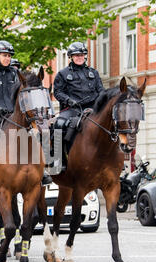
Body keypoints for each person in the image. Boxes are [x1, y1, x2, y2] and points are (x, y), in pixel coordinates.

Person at [0, 40, 52, 188]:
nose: (7, 58)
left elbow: (26, 94)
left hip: (14, 116)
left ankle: (42, 170)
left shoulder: (16, 74)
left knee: (36, 133)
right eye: (4, 55)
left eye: (9, 56)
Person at [52, 41, 104, 170]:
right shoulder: (62, 74)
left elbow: (101, 90)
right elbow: (58, 92)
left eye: (81, 55)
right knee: (58, 124)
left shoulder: (94, 73)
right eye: (76, 55)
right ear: (71, 57)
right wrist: (69, 100)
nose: (79, 57)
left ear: (85, 56)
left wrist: (99, 102)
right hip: (72, 108)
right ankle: (59, 160)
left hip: (92, 108)